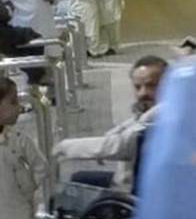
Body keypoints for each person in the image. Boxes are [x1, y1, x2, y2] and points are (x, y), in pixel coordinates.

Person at [53, 56, 167, 191]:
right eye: (137, 87)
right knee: (79, 177)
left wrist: (65, 147)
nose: (143, 93)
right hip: (138, 181)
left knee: (76, 188)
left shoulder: (162, 114)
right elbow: (131, 126)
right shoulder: (156, 111)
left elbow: (120, 145)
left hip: (139, 191)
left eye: (151, 85)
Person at [0, 77, 49, 219]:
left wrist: (30, 191)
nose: (19, 107)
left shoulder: (19, 140)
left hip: (21, 215)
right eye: (13, 102)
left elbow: (41, 168)